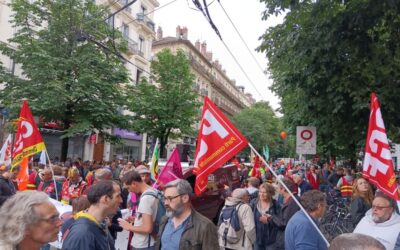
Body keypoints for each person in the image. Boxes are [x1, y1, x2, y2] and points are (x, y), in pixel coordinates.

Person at [155, 179, 219, 250]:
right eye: (165, 198)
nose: (165, 203)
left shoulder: (205, 226)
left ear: (185, 198)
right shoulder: (165, 220)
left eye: (170, 198)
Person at [62, 180, 123, 250]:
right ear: (105, 199)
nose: (121, 200)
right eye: (118, 196)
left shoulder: (100, 223)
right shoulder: (83, 233)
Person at [119, 170, 159, 250]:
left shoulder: (145, 198)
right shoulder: (153, 191)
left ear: (134, 184)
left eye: (128, 188)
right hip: (149, 242)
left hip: (144, 244)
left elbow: (147, 228)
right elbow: (151, 217)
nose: (129, 191)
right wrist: (136, 219)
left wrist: (129, 227)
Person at [271, 178, 300, 250]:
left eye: (278, 188)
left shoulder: (293, 202)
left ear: (283, 189)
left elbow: (284, 223)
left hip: (286, 240)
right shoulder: (291, 200)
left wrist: (271, 217)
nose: (277, 189)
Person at [250, 183, 280, 250]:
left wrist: (269, 220)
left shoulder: (275, 205)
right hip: (257, 239)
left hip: (271, 240)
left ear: (270, 193)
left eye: (264, 192)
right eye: (260, 192)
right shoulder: (253, 203)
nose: (261, 194)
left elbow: (279, 222)